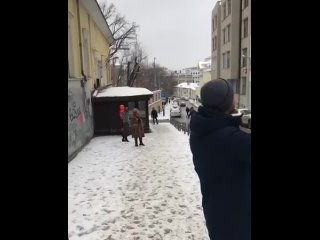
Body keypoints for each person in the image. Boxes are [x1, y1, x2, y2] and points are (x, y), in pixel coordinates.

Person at [189, 79, 251, 240]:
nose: (235, 98)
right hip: (237, 223)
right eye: (232, 96)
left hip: (218, 215)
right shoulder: (229, 139)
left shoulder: (202, 129)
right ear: (226, 103)